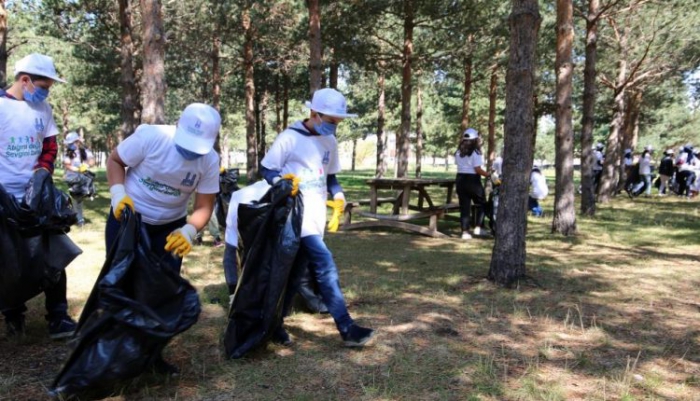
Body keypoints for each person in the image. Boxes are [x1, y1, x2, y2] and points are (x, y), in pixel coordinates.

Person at [105, 102, 221, 373]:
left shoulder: (210, 161)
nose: (189, 151)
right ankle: (114, 354)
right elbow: (115, 160)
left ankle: (151, 356)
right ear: (177, 127)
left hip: (169, 229)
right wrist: (118, 195)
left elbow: (204, 206)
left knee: (160, 292)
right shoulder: (152, 137)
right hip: (128, 219)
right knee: (121, 285)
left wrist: (189, 230)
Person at [259, 88, 375, 348]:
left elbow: (330, 176)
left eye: (338, 122)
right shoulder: (289, 138)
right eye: (331, 121)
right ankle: (347, 328)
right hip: (294, 217)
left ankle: (274, 325)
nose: (334, 127)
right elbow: (266, 169)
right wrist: (282, 182)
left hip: (316, 217)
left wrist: (339, 195)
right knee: (325, 265)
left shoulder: (329, 141)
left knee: (294, 274)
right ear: (314, 113)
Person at [0, 53, 77, 339]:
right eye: (43, 85)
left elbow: (50, 147)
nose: (46, 91)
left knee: (54, 252)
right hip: (4, 197)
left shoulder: (43, 108)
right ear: (25, 80)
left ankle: (58, 316)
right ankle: (13, 315)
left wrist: (42, 171)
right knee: (8, 258)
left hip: (37, 197)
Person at [222, 180, 271, 296]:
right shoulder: (280, 191)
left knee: (230, 253)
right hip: (268, 239)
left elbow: (231, 231)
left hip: (246, 236)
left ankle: (233, 293)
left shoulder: (238, 195)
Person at [454, 128, 489, 240]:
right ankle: (478, 227)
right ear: (475, 140)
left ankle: (465, 231)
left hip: (460, 179)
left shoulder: (458, 152)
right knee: (482, 203)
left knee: (464, 207)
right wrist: (488, 175)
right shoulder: (476, 152)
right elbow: (477, 169)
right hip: (473, 180)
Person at [63, 131, 95, 226]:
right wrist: (77, 169)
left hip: (83, 176)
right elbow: (68, 165)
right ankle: (79, 219)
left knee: (79, 198)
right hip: (73, 177)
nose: (72, 145)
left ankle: (88, 191)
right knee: (77, 199)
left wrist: (87, 165)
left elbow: (92, 161)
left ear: (78, 142)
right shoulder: (68, 154)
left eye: (73, 142)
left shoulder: (85, 151)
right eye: (70, 143)